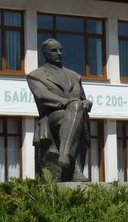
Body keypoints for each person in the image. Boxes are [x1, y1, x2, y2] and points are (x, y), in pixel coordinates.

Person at [27, 38, 93, 182]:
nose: (59, 53)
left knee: (77, 107)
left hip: (74, 113)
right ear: (45, 53)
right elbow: (43, 96)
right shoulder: (35, 75)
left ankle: (64, 154)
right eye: (54, 50)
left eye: (60, 50)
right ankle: (74, 168)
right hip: (52, 116)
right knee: (75, 107)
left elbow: (82, 98)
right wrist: (65, 102)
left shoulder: (74, 76)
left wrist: (87, 103)